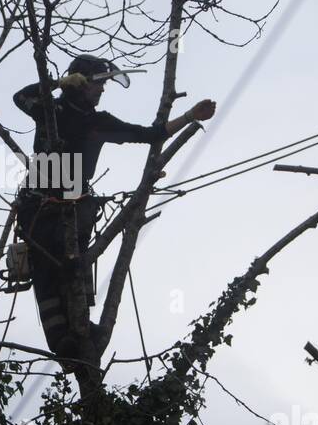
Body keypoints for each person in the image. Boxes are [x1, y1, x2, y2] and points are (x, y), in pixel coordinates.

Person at [12, 54, 216, 361]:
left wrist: (189, 115)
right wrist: (56, 82)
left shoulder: (98, 123)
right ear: (82, 83)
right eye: (100, 85)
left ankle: (79, 328)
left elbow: (149, 134)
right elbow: (20, 97)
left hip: (76, 203)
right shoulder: (49, 110)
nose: (103, 91)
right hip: (38, 206)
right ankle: (60, 340)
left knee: (74, 266)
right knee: (45, 269)